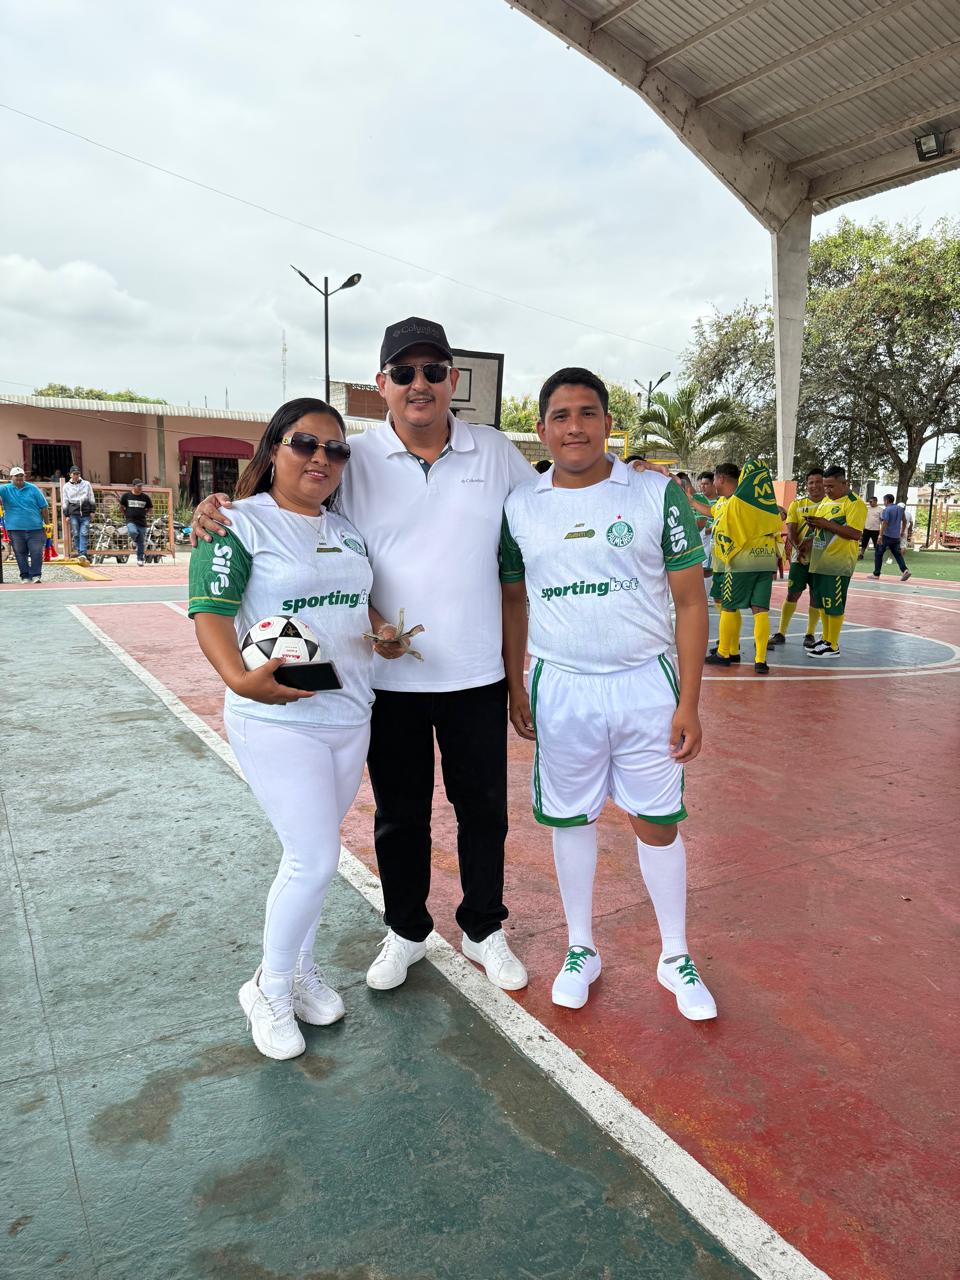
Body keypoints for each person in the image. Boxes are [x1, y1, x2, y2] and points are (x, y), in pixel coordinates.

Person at [192, 317, 534, 994]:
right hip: (383, 680)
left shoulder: (495, 451)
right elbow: (293, 504)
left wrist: (624, 477)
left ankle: (483, 927)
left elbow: (549, 505)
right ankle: (406, 930)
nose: (418, 383)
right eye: (404, 372)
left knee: (484, 811)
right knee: (400, 816)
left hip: (477, 674)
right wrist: (215, 510)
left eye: (432, 371)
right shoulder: (355, 457)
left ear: (453, 380)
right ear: (382, 383)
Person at [188, 398, 405, 1060]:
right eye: (305, 443)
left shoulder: (346, 531)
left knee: (313, 856)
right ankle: (269, 987)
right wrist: (237, 677)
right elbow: (210, 613)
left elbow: (358, 605)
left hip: (350, 713)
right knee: (313, 858)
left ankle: (302, 970)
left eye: (335, 449)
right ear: (273, 450)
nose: (321, 458)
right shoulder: (236, 522)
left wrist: (384, 632)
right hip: (278, 718)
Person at [500, 368, 716, 1018]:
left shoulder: (655, 493)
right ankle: (581, 947)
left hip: (645, 683)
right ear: (542, 429)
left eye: (587, 413)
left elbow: (690, 601)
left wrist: (689, 702)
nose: (575, 427)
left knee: (657, 819)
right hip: (562, 685)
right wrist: (516, 683)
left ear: (607, 424)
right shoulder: (520, 506)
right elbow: (513, 601)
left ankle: (675, 954)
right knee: (572, 817)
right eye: (561, 415)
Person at [705, 459, 782, 675]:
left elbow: (725, 529)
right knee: (760, 610)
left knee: (729, 607)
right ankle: (760, 661)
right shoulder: (768, 504)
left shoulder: (736, 502)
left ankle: (725, 653)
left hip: (741, 562)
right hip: (765, 560)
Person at [806, 466, 868, 657]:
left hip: (838, 564)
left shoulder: (854, 503)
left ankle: (833, 645)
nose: (827, 490)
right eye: (825, 486)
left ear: (844, 483)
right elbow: (825, 527)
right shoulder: (826, 501)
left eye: (831, 486)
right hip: (820, 561)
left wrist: (825, 523)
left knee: (834, 605)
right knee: (823, 603)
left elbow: (855, 533)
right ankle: (826, 638)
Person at [770, 467, 825, 648]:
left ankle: (810, 634)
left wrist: (810, 542)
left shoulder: (830, 505)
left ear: (824, 483)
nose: (814, 486)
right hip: (798, 559)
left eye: (818, 482)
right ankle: (781, 632)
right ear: (806, 485)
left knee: (816, 596)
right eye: (811, 482)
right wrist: (797, 547)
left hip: (822, 561)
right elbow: (791, 529)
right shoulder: (797, 504)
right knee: (793, 593)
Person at [0, 466, 49, 582]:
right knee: (20, 553)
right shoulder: (5, 489)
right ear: (11, 478)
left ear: (24, 476)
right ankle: (25, 575)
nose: (19, 478)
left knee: (36, 552)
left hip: (35, 527)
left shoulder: (33, 488)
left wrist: (47, 524)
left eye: (21, 475)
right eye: (16, 476)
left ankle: (36, 575)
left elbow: (44, 507)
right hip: (14, 528)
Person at [873, 494, 912, 582]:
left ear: (886, 501)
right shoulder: (900, 509)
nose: (884, 503)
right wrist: (902, 531)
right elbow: (904, 521)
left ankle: (876, 574)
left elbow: (885, 523)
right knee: (897, 554)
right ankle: (905, 570)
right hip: (896, 536)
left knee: (878, 553)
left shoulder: (887, 510)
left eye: (884, 501)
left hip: (886, 535)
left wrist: (880, 535)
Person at [62, 465, 95, 561]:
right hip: (73, 513)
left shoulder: (86, 484)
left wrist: (92, 511)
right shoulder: (66, 486)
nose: (76, 475)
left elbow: (91, 497)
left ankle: (82, 553)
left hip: (85, 512)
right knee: (76, 533)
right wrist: (66, 514)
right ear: (70, 474)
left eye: (77, 474)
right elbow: (65, 501)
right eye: (74, 474)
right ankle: (80, 552)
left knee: (84, 533)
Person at [119, 480, 153, 565]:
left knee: (141, 542)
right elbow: (121, 507)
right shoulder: (126, 496)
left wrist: (146, 513)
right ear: (133, 486)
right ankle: (134, 540)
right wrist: (126, 514)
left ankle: (140, 559)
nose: (140, 488)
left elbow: (150, 508)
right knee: (133, 531)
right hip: (130, 520)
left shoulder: (145, 497)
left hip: (142, 522)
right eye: (138, 486)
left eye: (141, 486)